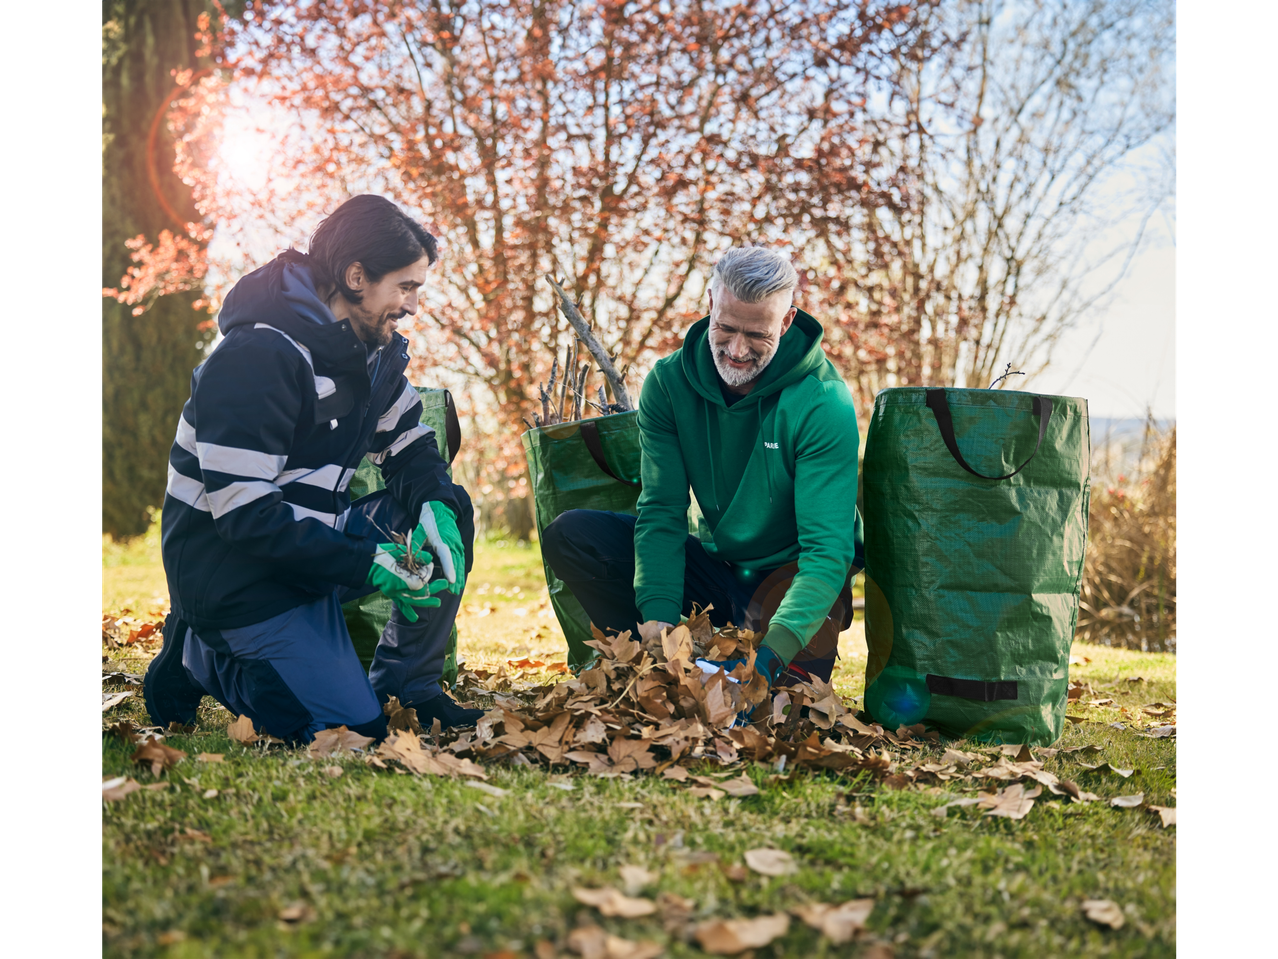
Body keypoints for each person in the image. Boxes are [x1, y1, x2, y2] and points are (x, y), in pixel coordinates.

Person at [144, 195, 482, 743]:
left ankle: (407, 688)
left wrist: (435, 507)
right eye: (405, 286)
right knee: (345, 732)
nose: (413, 305)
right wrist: (367, 562)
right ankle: (198, 655)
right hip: (235, 570)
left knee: (449, 515)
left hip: (307, 541)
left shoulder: (371, 353)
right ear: (355, 277)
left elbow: (411, 446)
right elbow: (247, 517)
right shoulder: (256, 358)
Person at [540, 246, 863, 691]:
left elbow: (827, 553)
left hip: (793, 583)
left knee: (779, 707)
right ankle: (649, 670)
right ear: (710, 303)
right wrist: (655, 619)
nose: (736, 350)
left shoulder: (822, 401)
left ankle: (766, 665)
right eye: (726, 328)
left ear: (786, 323)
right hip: (723, 569)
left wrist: (771, 657)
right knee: (573, 535)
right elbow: (661, 511)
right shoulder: (669, 384)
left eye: (757, 335)